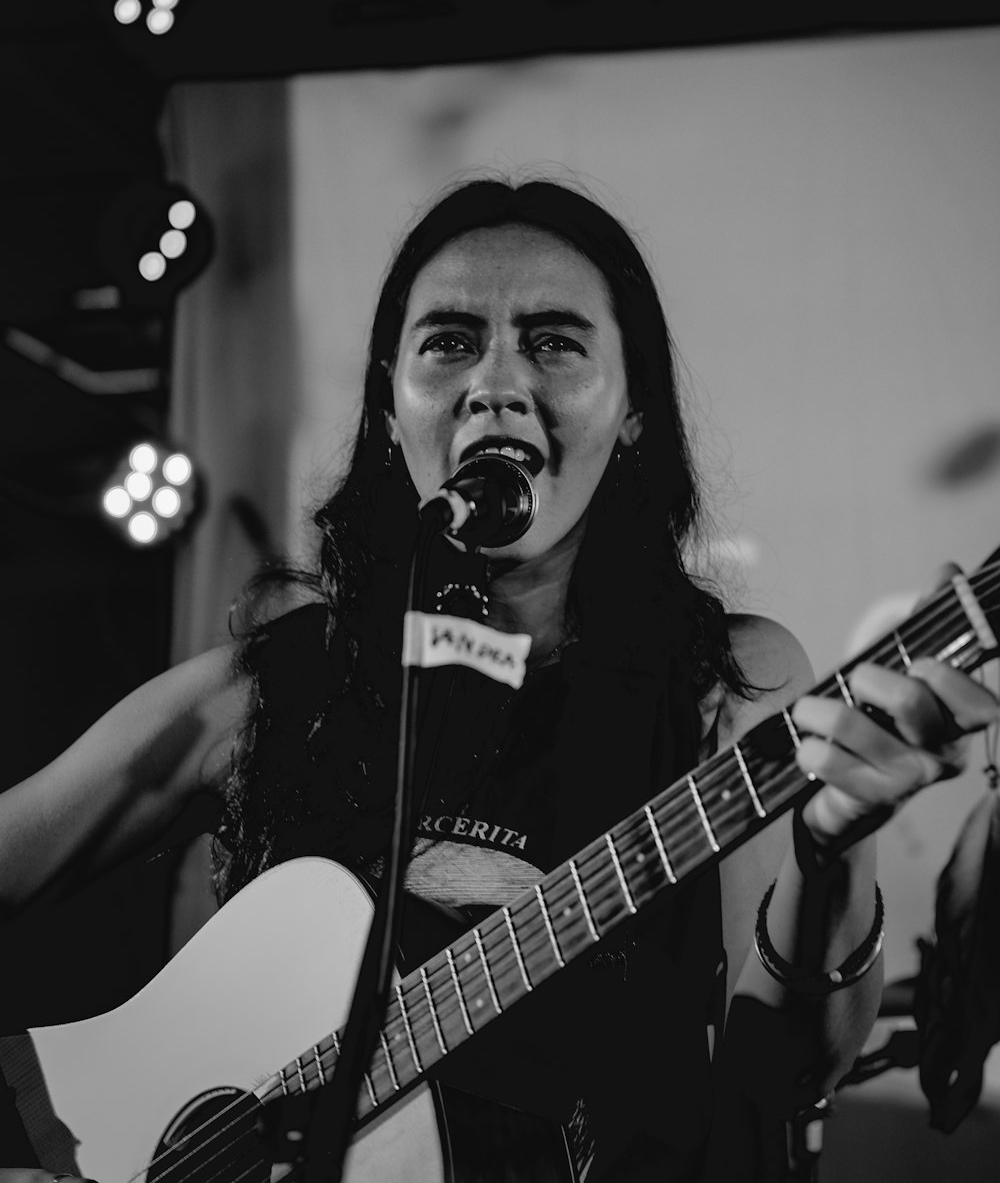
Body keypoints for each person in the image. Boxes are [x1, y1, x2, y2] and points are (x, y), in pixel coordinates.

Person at [0, 177, 994, 1183]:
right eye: (450, 341)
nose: (498, 383)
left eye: (555, 342)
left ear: (633, 410)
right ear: (390, 410)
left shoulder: (728, 677)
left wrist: (830, 860)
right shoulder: (261, 689)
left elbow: (781, 1080)